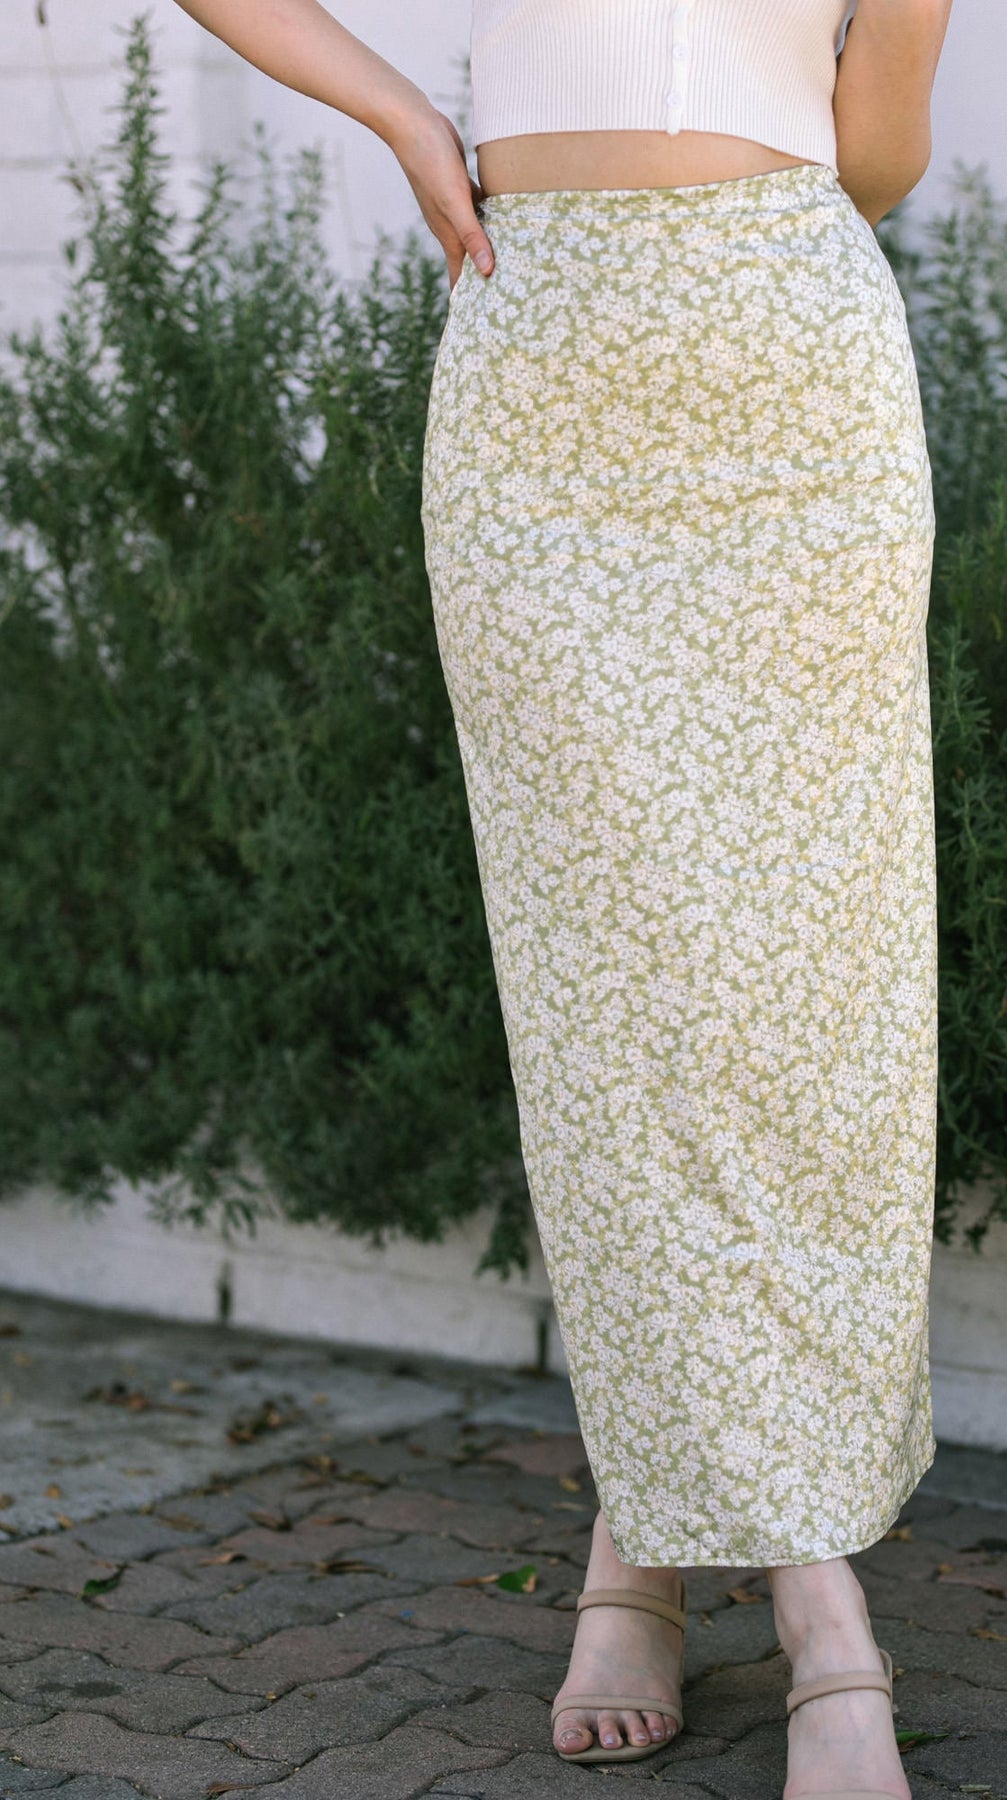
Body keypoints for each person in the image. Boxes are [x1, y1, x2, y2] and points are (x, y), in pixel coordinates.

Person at [172, 4, 954, 1794]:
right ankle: (785, 1587)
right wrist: (399, 114)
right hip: (540, 382)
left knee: (797, 989)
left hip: (789, 383)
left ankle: (672, 1540)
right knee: (606, 995)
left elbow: (876, 158)